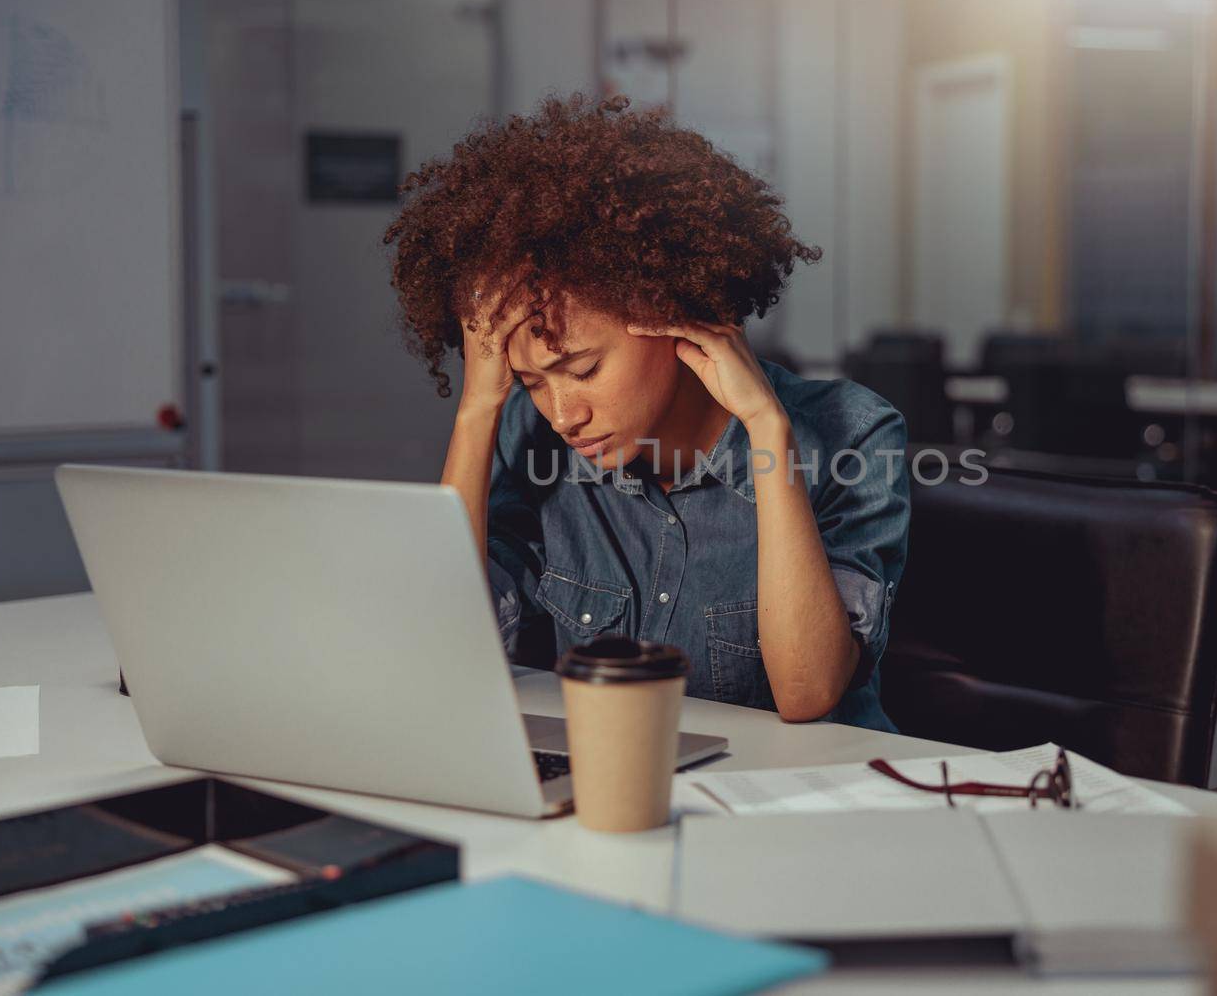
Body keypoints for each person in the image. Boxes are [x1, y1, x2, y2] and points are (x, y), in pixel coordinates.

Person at [384, 94, 908, 729]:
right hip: (615, 785)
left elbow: (808, 692)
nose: (562, 414)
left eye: (582, 370)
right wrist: (478, 409)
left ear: (672, 314)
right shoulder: (530, 438)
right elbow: (442, 650)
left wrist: (767, 429)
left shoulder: (854, 436)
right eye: (529, 382)